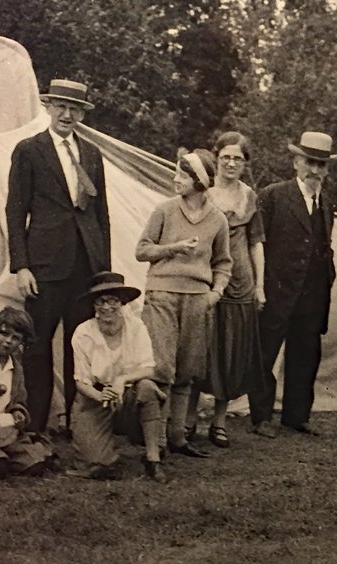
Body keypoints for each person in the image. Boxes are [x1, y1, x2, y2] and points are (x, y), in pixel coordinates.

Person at [6, 78, 111, 433]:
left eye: (75, 109)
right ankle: (35, 426)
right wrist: (21, 266)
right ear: (49, 107)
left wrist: (104, 273)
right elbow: (15, 210)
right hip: (45, 266)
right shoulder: (29, 150)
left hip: (85, 266)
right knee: (37, 348)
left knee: (79, 346)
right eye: (61, 107)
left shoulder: (92, 154)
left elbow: (101, 215)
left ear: (82, 114)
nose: (67, 114)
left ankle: (76, 425)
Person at [136, 149, 231, 458]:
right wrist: (172, 248)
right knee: (162, 368)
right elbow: (142, 250)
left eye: (183, 175)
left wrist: (214, 294)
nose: (175, 179)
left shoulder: (217, 219)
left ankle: (177, 438)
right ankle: (158, 442)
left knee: (187, 370)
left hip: (197, 300)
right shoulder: (164, 210)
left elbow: (224, 263)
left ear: (200, 182)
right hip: (162, 294)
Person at [255, 132, 337, 436]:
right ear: (296, 162)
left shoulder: (326, 203)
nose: (315, 170)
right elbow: (258, 245)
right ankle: (261, 417)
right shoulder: (273, 195)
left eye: (321, 165)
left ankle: (296, 415)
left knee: (305, 354)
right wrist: (261, 286)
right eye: (310, 162)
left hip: (313, 294)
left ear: (327, 169)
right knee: (266, 354)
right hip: (277, 289)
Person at [186, 132, 266, 446]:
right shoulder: (202, 191)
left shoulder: (250, 196)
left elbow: (256, 243)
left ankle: (219, 422)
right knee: (200, 348)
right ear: (217, 158)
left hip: (240, 283)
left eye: (238, 158)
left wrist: (259, 286)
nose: (231, 163)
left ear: (245, 164)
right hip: (205, 278)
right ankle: (188, 419)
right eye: (226, 157)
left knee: (231, 353)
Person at [68, 272, 168, 483]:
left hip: (129, 392)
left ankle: (153, 459)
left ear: (122, 302)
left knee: (148, 387)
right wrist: (101, 395)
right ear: (94, 305)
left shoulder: (136, 327)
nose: (107, 308)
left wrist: (121, 380)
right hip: (96, 397)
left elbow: (148, 368)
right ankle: (101, 446)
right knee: (98, 465)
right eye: (101, 301)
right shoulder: (83, 333)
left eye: (113, 301)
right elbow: (81, 382)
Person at [0, 307, 54, 479]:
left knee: (35, 464)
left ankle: (8, 454)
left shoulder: (16, 368)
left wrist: (18, 412)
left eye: (15, 338)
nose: (8, 341)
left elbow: (19, 400)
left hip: (3, 429)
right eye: (4, 334)